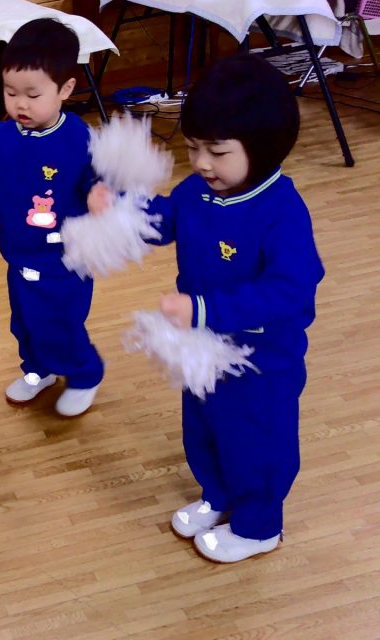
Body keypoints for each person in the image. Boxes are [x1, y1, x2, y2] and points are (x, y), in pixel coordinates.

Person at [90, 54, 325, 562]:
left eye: (217, 152)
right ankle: (217, 496)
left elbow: (291, 291)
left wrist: (203, 310)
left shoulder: (282, 213)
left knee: (256, 443)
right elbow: (167, 218)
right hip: (200, 349)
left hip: (261, 363)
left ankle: (258, 525)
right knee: (203, 426)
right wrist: (124, 210)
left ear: (263, 148)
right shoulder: (197, 191)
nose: (200, 163)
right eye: (193, 147)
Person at [0, 17, 105, 417]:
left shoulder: (79, 137)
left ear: (65, 89)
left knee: (61, 322)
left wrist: (101, 191)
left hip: (67, 258)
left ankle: (84, 374)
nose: (20, 104)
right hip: (19, 254)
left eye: (33, 94)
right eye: (10, 92)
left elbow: (102, 176)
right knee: (26, 319)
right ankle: (37, 369)